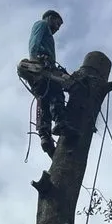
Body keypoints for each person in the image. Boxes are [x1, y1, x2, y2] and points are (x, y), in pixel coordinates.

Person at [28, 9, 71, 156]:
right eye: (57, 23)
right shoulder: (41, 25)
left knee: (43, 104)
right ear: (50, 18)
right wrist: (36, 60)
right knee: (56, 95)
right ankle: (60, 123)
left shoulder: (47, 32)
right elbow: (34, 42)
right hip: (43, 66)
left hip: (42, 70)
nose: (57, 28)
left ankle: (45, 137)